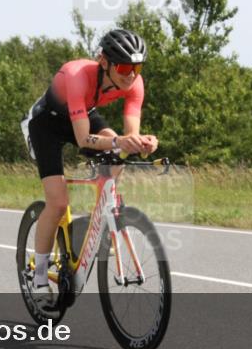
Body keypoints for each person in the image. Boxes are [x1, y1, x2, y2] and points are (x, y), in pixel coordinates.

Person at [20, 29, 158, 305]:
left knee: (118, 152)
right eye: (123, 67)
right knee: (57, 203)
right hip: (46, 124)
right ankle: (38, 278)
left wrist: (141, 142)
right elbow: (84, 138)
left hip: (84, 113)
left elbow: (129, 135)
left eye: (136, 67)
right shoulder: (76, 76)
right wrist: (119, 140)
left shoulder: (135, 84)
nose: (130, 74)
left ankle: (98, 213)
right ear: (103, 62)